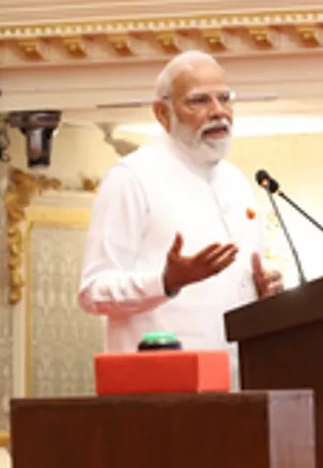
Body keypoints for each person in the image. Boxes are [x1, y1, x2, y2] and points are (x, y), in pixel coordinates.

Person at [78, 50, 283, 374]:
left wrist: (264, 291)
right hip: (160, 385)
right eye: (199, 101)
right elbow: (94, 292)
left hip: (238, 379)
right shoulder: (132, 177)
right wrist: (166, 281)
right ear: (163, 113)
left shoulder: (237, 182)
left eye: (224, 99)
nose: (218, 112)